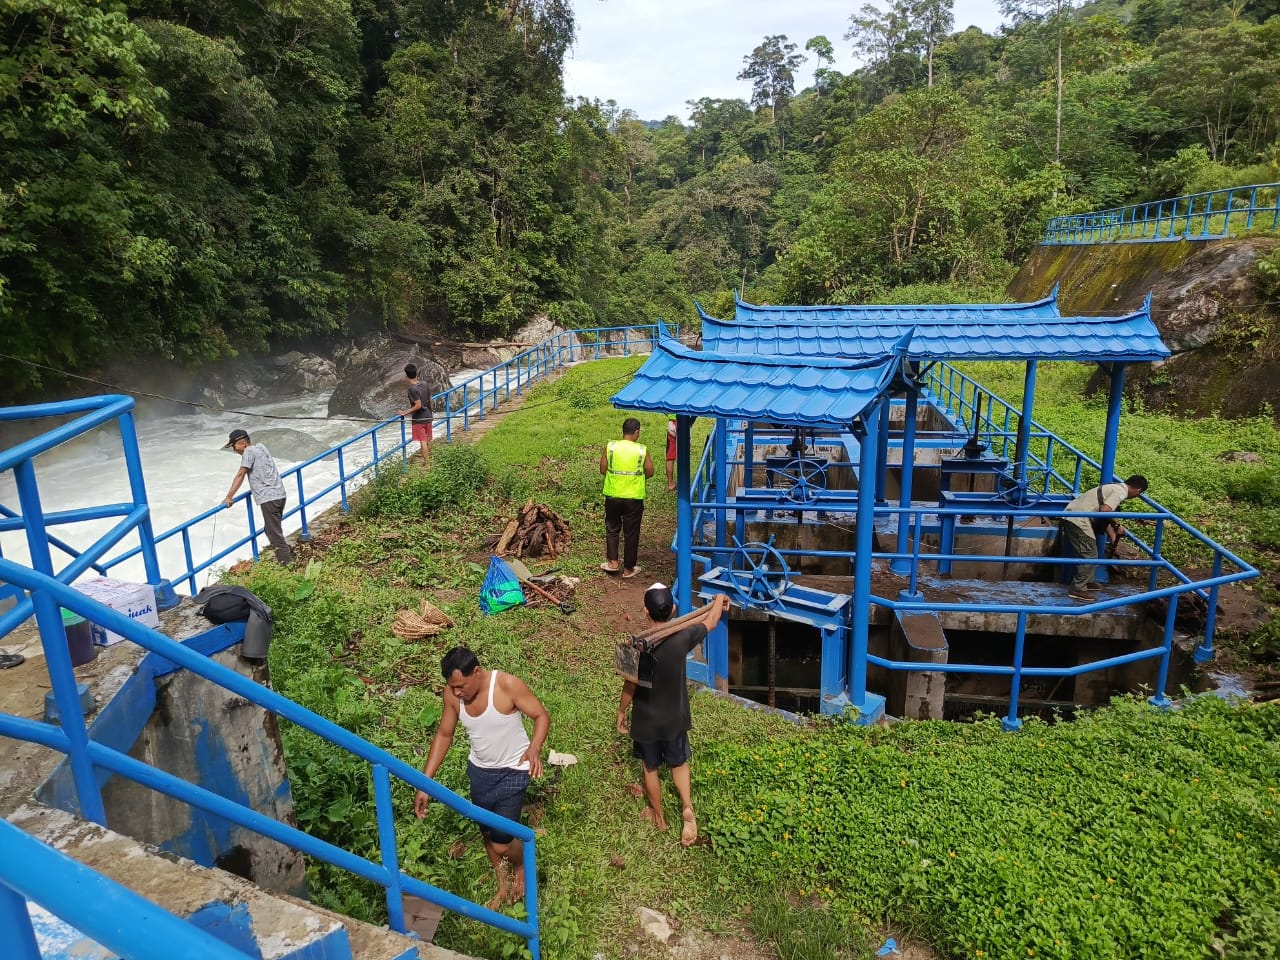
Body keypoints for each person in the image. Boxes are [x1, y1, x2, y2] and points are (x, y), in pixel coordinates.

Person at [413, 647, 549, 909]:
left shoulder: (506, 685)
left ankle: (522, 865)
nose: (457, 693)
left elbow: (541, 715)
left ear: (477, 672)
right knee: (487, 834)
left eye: (461, 686)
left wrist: (534, 748)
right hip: (480, 772)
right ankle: (503, 884)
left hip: (513, 770)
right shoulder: (453, 695)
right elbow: (444, 734)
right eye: (452, 687)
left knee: (502, 842)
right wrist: (424, 784)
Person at [617, 586, 729, 847]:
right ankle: (687, 806)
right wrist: (720, 600)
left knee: (650, 767)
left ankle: (659, 816)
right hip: (674, 718)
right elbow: (712, 620)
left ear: (646, 611)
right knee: (679, 764)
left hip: (646, 721)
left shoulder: (638, 646)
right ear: (674, 609)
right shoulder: (683, 638)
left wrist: (621, 711)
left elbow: (630, 686)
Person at [1061, 475, 1148, 601]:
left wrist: (1114, 531)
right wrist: (1117, 524)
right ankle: (1077, 589)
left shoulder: (1114, 486)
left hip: (1074, 515)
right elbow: (1105, 510)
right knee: (1089, 555)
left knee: (1090, 553)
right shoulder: (1120, 492)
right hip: (1078, 519)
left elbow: (1105, 516)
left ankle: (1087, 582)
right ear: (1138, 490)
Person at [222, 429, 292, 564]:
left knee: (275, 535)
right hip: (280, 495)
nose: (234, 450)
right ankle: (281, 555)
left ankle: (287, 565)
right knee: (270, 529)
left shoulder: (248, 452)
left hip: (269, 498)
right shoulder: (261, 447)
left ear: (242, 443)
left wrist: (229, 497)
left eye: (233, 446)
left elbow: (240, 475)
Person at [599, 417, 654, 578]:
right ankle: (629, 568)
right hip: (633, 497)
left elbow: (603, 469)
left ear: (623, 431)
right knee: (631, 533)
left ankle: (612, 563)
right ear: (637, 432)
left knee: (612, 528)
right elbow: (650, 471)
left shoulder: (611, 446)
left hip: (613, 494)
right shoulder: (642, 450)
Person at [397, 363, 433, 468]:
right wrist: (431, 413)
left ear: (406, 376)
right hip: (428, 415)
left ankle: (427, 463)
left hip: (419, 418)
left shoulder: (412, 389)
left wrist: (405, 412)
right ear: (416, 373)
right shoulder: (425, 384)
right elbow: (430, 400)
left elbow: (418, 405)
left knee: (423, 441)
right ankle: (429, 460)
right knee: (428, 438)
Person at [664, 413, 677, 492]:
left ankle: (670, 484)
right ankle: (683, 482)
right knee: (684, 452)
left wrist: (670, 416)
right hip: (684, 421)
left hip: (673, 423)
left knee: (670, 456)